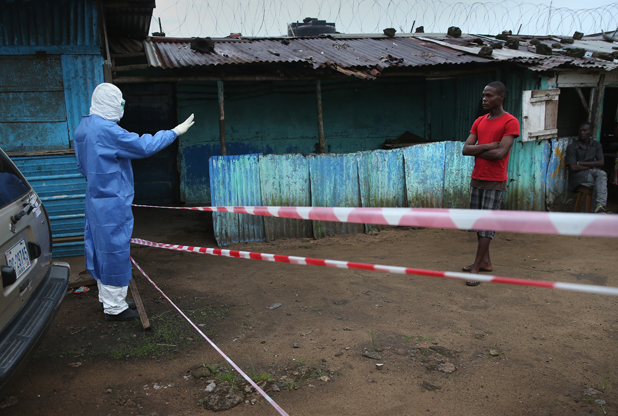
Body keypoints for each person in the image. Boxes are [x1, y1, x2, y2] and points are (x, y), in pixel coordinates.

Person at [75, 83, 195, 321]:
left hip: (95, 197)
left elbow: (82, 164)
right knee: (115, 250)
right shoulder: (107, 131)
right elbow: (143, 146)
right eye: (119, 102)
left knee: (100, 248)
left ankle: (109, 299)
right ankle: (115, 308)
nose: (122, 107)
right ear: (111, 103)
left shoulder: (84, 126)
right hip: (112, 200)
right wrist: (174, 132)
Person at [462, 81, 520, 286]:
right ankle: (485, 262)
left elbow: (500, 153)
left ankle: (476, 268)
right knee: (479, 224)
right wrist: (488, 145)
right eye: (484, 95)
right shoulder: (479, 121)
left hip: (495, 180)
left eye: (489, 96)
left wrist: (479, 148)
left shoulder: (510, 122)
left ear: (501, 97)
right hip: (477, 177)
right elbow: (465, 149)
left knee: (486, 227)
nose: (484, 99)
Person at [565, 122, 607, 213]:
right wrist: (591, 166)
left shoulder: (596, 145)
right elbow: (573, 168)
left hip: (591, 175)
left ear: (590, 132)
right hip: (578, 177)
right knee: (601, 177)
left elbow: (601, 162)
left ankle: (598, 209)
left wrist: (581, 163)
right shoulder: (572, 147)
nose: (582, 133)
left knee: (599, 181)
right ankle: (599, 209)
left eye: (585, 130)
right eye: (580, 130)